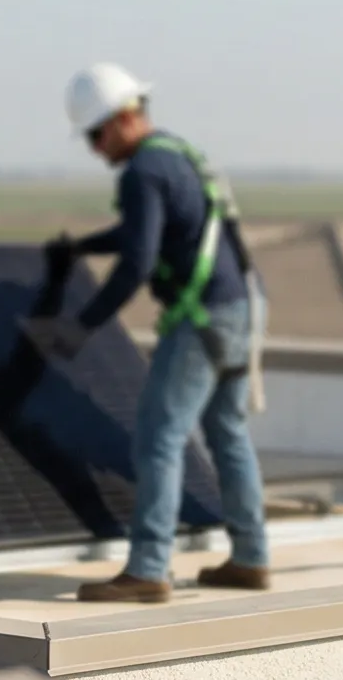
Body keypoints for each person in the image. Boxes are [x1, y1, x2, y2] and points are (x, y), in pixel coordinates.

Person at [38, 63, 268, 603]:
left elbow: (138, 261)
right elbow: (145, 232)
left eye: (95, 135)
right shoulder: (177, 156)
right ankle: (252, 557)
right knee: (228, 434)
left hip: (203, 318)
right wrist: (84, 248)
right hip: (243, 310)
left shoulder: (142, 172)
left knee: (158, 439)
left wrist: (81, 326)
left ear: (123, 119)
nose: (95, 149)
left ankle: (147, 569)